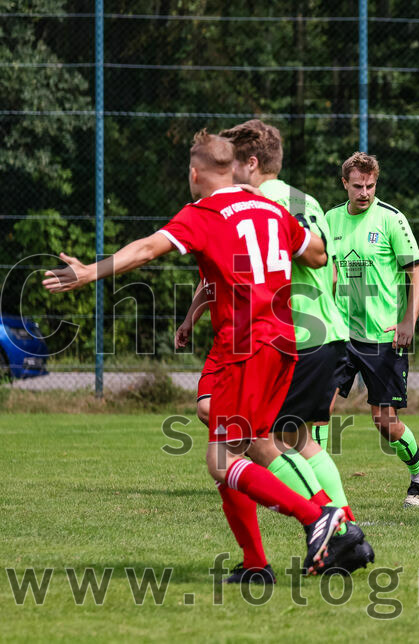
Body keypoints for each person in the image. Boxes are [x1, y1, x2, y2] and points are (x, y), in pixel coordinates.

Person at [44, 130, 362, 577]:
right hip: (284, 342)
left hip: (245, 346)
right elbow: (314, 253)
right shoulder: (271, 207)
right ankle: (260, 561)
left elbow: (147, 249)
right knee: (248, 445)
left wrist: (90, 272)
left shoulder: (205, 212)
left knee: (221, 460)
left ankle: (322, 519)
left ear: (195, 174)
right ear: (233, 168)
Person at [325, 152, 419, 507]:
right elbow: (331, 271)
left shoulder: (391, 220)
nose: (365, 192)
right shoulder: (330, 219)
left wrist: (407, 321)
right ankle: (316, 487)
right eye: (358, 186)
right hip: (340, 335)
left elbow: (417, 273)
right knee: (319, 408)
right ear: (345, 184)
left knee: (385, 423)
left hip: (383, 337)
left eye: (370, 186)